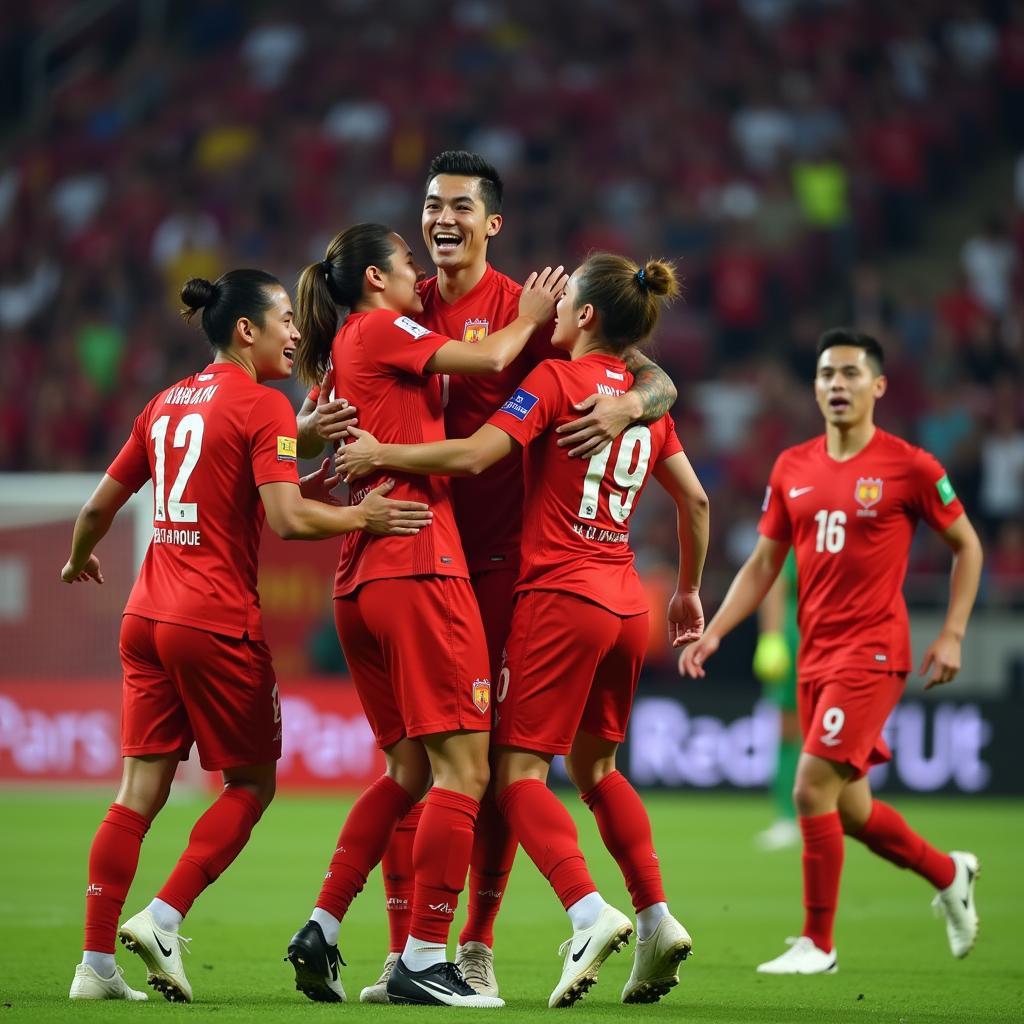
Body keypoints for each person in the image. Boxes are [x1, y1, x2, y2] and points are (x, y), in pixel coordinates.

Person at [295, 151, 678, 1000]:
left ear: (491, 223)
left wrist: (626, 403)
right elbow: (319, 416)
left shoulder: (525, 310)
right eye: (432, 204)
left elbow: (651, 373)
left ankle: (471, 944)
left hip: (509, 564)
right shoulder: (399, 301)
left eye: (461, 206)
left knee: (497, 762)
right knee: (428, 764)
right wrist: (311, 429)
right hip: (414, 552)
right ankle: (409, 949)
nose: (443, 218)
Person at [63, 270, 432, 1004]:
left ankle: (94, 966)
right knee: (252, 783)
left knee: (139, 790)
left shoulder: (166, 403)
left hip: (145, 616)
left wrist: (78, 557)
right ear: (245, 331)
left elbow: (101, 505)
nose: (296, 333)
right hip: (213, 621)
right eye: (283, 321)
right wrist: (365, 517)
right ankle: (163, 919)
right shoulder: (261, 404)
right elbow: (290, 519)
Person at [285, 222, 565, 1008]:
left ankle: (325, 922)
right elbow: (486, 357)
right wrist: (531, 313)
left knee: (407, 769)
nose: (417, 270)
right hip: (421, 562)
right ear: (376, 278)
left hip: (361, 579)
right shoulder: (382, 326)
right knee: (467, 771)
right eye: (405, 261)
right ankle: (423, 958)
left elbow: (311, 453)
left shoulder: (342, 348)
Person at [680, 328, 984, 974]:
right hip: (813, 655)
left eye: (850, 374)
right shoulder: (792, 466)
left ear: (877, 386)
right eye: (826, 375)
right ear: (815, 387)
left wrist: (953, 630)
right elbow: (765, 563)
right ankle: (948, 873)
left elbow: (969, 546)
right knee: (851, 810)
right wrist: (716, 629)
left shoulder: (912, 466)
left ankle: (817, 943)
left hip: (873, 650)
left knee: (809, 786)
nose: (836, 385)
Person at [752, 550, 801, 851]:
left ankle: (813, 815)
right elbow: (775, 584)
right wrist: (772, 638)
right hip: (798, 636)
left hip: (830, 635)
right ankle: (788, 815)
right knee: (790, 730)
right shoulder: (795, 534)